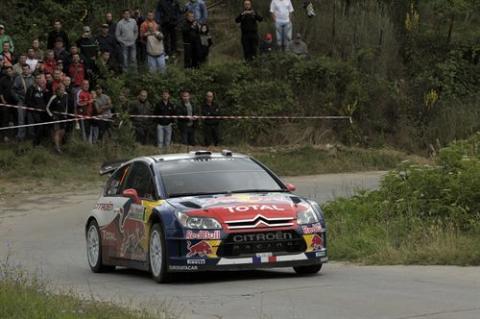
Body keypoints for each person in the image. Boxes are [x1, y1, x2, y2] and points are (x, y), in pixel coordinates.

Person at [25, 73, 51, 146]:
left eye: (40, 78)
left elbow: (46, 100)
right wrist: (35, 107)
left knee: (44, 126)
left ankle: (42, 142)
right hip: (34, 111)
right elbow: (27, 101)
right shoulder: (31, 89)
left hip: (43, 111)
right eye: (37, 78)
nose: (38, 79)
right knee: (39, 126)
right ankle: (35, 143)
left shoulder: (44, 89)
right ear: (35, 79)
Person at [12, 64, 34, 141]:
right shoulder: (18, 78)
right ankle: (21, 136)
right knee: (21, 119)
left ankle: (31, 135)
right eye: (24, 69)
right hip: (22, 101)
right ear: (22, 70)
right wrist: (17, 98)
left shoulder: (33, 78)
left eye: (27, 69)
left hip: (31, 102)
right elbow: (13, 90)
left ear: (29, 69)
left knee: (31, 119)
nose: (25, 71)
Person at [46, 83, 69, 153]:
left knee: (62, 132)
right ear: (58, 90)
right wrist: (52, 115)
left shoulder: (66, 96)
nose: (62, 92)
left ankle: (58, 145)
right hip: (55, 117)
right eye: (61, 90)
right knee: (57, 131)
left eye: (63, 90)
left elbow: (66, 105)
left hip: (63, 116)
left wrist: (66, 113)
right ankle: (57, 147)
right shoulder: (53, 97)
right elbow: (47, 108)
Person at [0, 66, 16, 141]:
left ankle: (16, 134)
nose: (9, 72)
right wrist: (3, 101)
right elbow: (0, 92)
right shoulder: (2, 79)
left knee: (16, 118)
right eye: (7, 71)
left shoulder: (17, 78)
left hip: (15, 102)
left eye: (10, 71)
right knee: (5, 119)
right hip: (5, 102)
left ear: (13, 71)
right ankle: (5, 135)